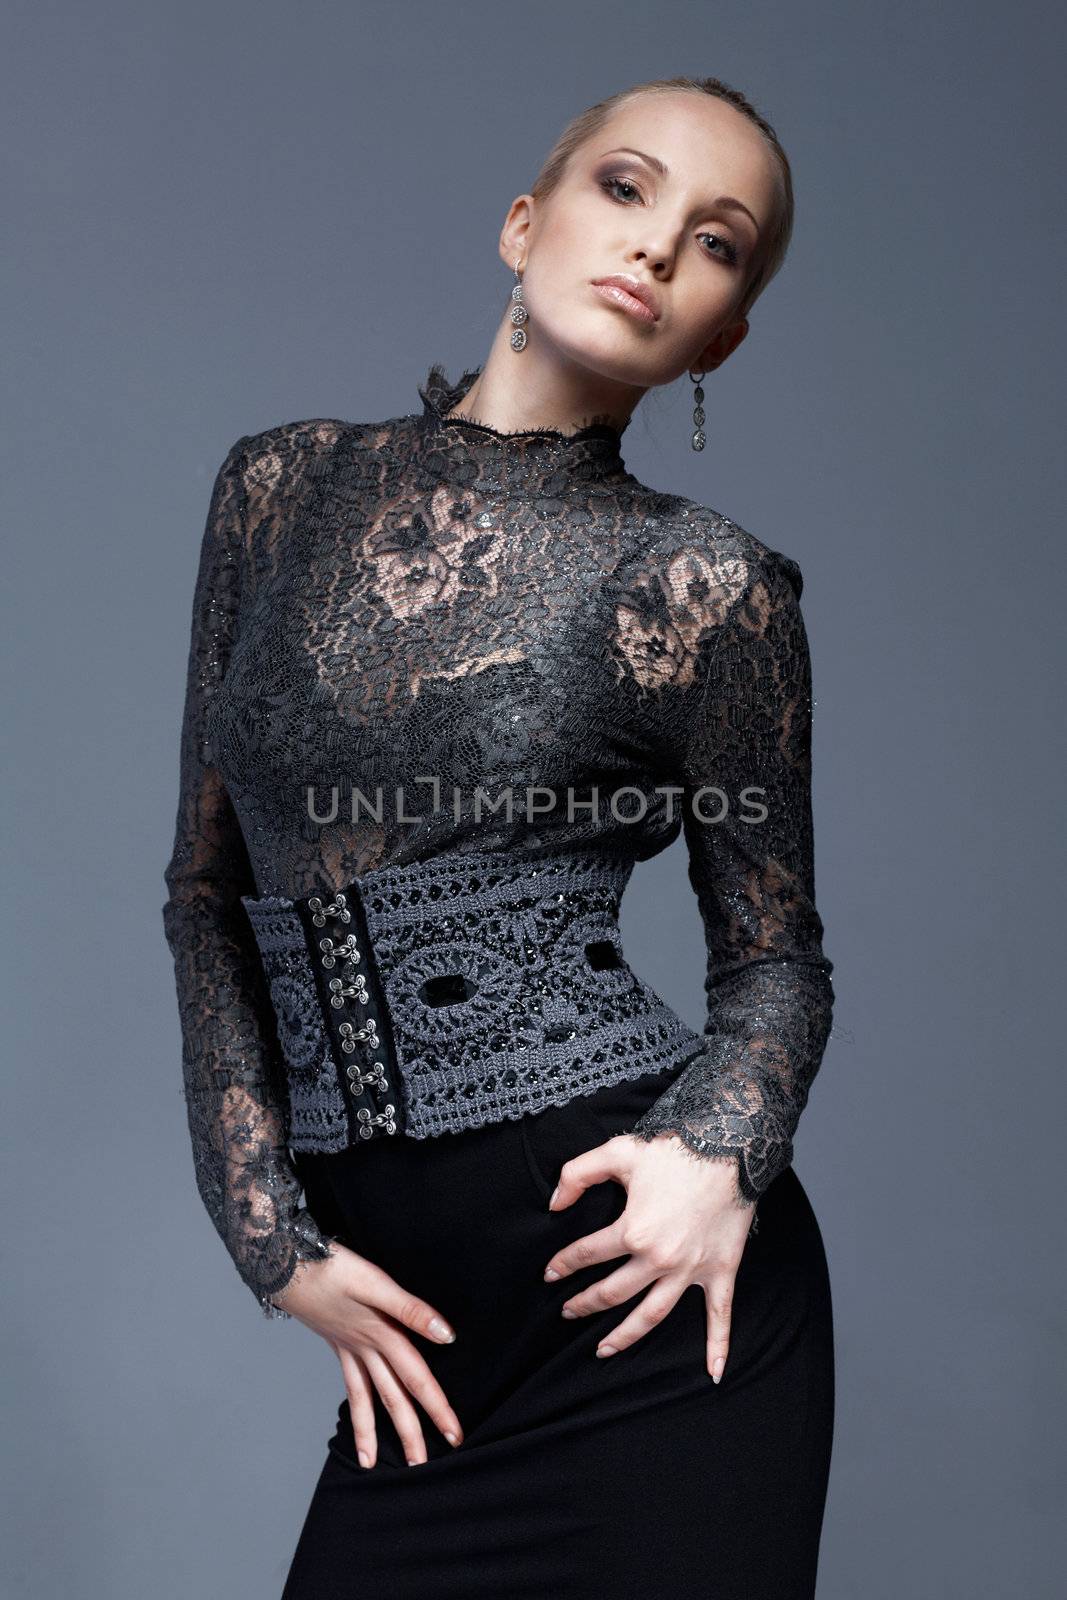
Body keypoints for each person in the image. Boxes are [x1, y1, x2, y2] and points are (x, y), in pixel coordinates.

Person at [161, 74, 836, 1599]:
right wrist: (262, 1232)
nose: (658, 246)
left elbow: (780, 966)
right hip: (434, 1356)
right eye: (625, 189)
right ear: (525, 222)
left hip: (654, 1331)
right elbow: (203, 892)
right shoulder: (277, 490)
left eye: (716, 241)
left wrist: (717, 1154)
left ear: (720, 336)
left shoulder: (706, 589)